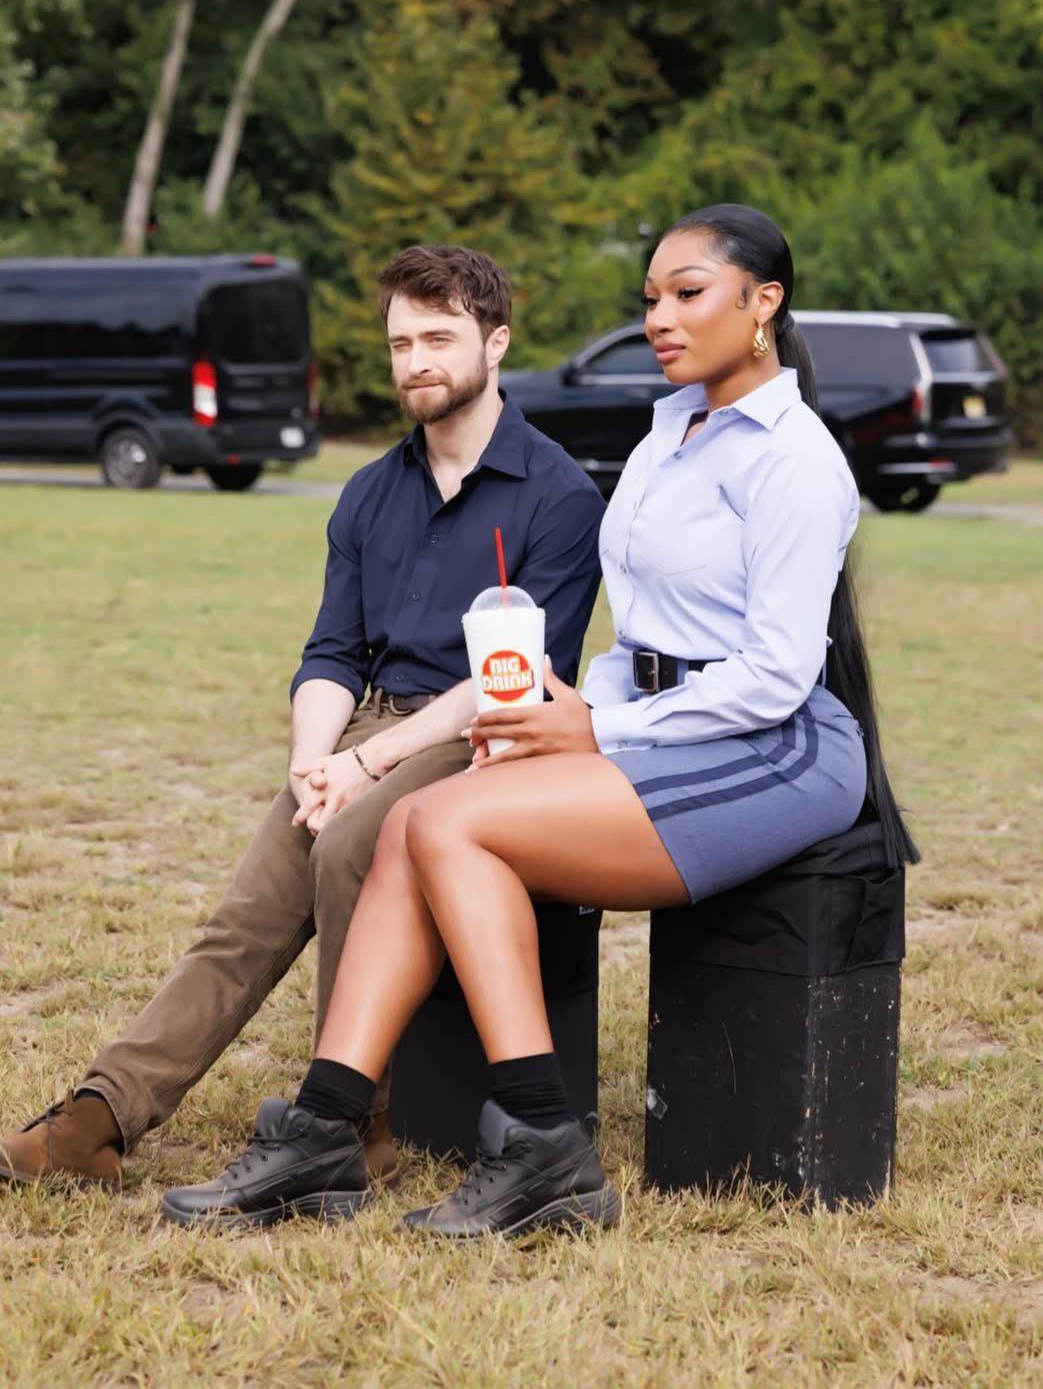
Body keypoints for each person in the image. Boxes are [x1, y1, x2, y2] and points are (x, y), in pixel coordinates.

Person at [162, 204, 919, 1237]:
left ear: (763, 304)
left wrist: (600, 732)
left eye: (687, 293)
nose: (659, 317)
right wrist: (571, 710)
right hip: (659, 724)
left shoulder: (795, 458)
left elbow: (778, 677)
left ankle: (542, 1142)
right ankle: (328, 1127)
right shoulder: (666, 438)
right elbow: (639, 641)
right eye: (650, 297)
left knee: (448, 822)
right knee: (417, 820)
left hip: (775, 747)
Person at [0, 245, 604, 1192]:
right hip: (366, 731)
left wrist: (365, 770)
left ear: (496, 342)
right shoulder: (369, 492)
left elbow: (514, 681)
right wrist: (313, 762)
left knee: (350, 844)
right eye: (400, 343)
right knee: (246, 914)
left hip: (487, 739)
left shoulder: (560, 496)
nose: (416, 361)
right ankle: (98, 1116)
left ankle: (349, 1124)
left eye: (439, 338)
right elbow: (332, 653)